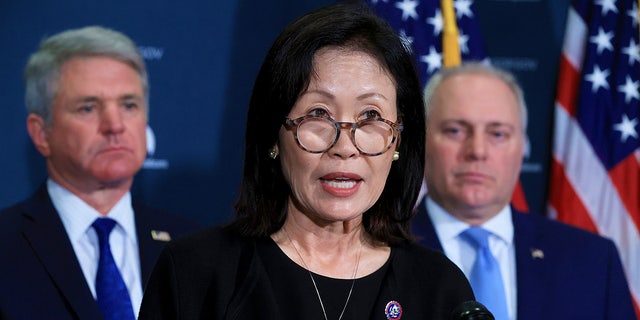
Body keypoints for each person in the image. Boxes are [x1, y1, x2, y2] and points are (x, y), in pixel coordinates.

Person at [138, 3, 474, 319]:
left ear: (398, 139)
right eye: (318, 114)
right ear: (274, 134)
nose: (345, 146)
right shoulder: (196, 273)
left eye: (370, 116)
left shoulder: (440, 289)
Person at [0, 26, 200, 320]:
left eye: (129, 104)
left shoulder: (194, 245)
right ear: (42, 133)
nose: (115, 124)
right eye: (88, 108)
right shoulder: (6, 246)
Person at [412, 62, 636, 320]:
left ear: (523, 148)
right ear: (422, 142)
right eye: (455, 130)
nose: (477, 151)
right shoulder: (380, 253)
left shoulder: (593, 262)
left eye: (497, 133)